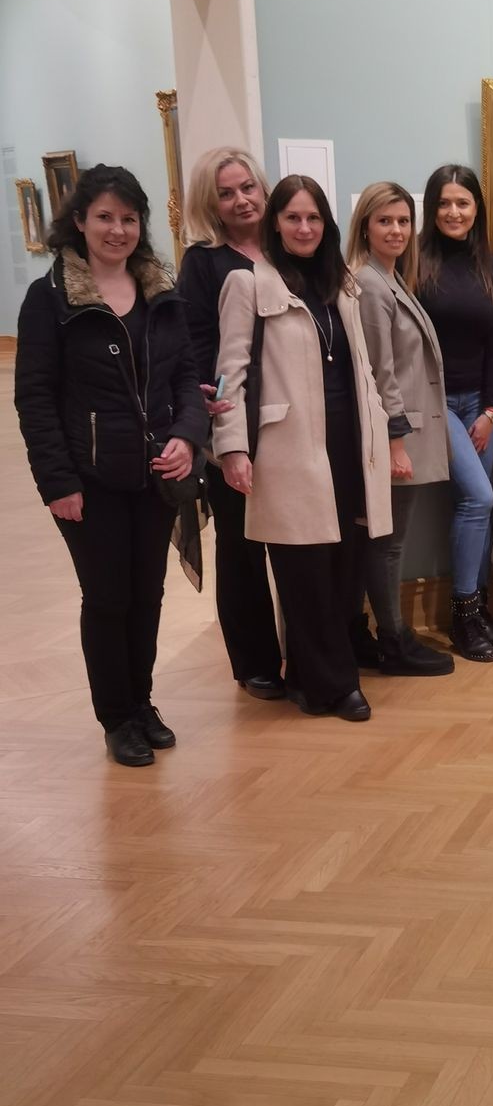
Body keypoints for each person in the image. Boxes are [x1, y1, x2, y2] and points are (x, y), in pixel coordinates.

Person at [16, 165, 206, 765]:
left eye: (128, 218)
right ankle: (115, 716)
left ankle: (141, 702)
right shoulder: (50, 298)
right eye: (105, 217)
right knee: (107, 597)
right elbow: (35, 397)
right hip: (89, 482)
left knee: (147, 595)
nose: (117, 229)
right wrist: (58, 483)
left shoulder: (160, 290)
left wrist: (186, 436)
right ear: (79, 221)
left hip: (154, 476)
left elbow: (186, 377)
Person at [213, 176, 391, 721]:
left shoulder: (344, 285)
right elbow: (230, 375)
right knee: (303, 569)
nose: (305, 228)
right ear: (275, 225)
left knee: (343, 566)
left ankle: (308, 679)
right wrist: (231, 448)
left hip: (348, 443)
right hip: (287, 447)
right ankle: (336, 686)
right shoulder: (249, 285)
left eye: (314, 218)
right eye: (293, 218)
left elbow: (361, 367)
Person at [174, 147, 285, 699]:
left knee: (295, 541)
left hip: (293, 420)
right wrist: (215, 420)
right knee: (242, 549)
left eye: (248, 187)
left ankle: (307, 648)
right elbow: (195, 345)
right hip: (233, 420)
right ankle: (255, 662)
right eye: (226, 192)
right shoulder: (204, 262)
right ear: (210, 204)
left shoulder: (291, 245)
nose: (241, 200)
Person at [345, 183, 455, 677]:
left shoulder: (392, 279)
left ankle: (386, 633)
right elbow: (378, 371)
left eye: (403, 221)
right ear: (365, 227)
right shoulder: (369, 283)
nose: (396, 230)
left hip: (404, 432)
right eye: (384, 221)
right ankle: (393, 640)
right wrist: (395, 442)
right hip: (395, 437)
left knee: (386, 541)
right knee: (385, 544)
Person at [415, 164, 493, 662]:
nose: (454, 212)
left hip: (480, 404)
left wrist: (492, 409)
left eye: (464, 203)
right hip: (435, 404)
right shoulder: (414, 263)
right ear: (432, 209)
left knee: (478, 505)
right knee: (479, 497)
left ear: (477, 209)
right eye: (445, 203)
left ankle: (476, 609)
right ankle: (462, 611)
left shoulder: (491, 267)